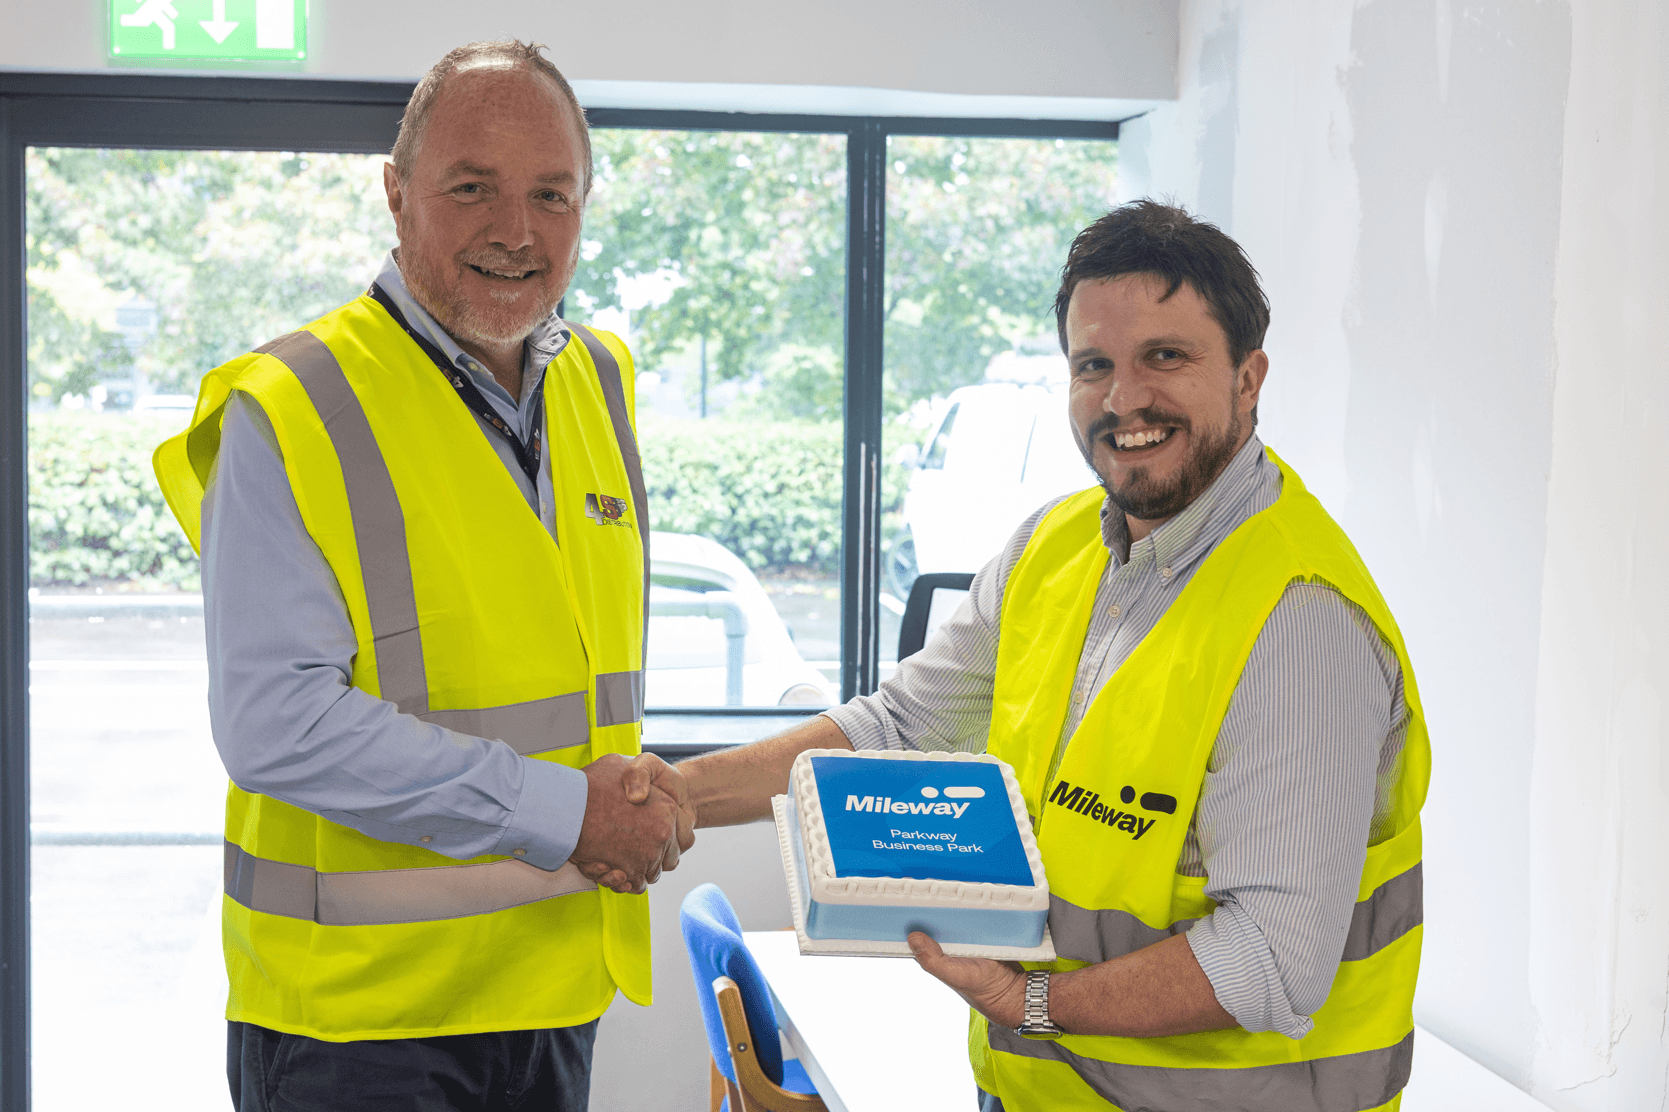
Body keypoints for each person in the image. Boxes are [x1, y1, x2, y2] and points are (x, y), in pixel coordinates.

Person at [679, 200, 1428, 1112]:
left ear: (1248, 377)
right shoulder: (1054, 545)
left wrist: (1030, 1001)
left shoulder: (1297, 621)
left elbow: (1272, 962)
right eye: (1093, 366)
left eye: (1166, 356)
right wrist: (670, 798)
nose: (1123, 399)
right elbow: (900, 726)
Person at [153, 40, 694, 1112]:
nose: (517, 230)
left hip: (549, 990)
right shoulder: (288, 405)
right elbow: (277, 721)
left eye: (552, 193)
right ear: (396, 196)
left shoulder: (599, 377)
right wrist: (565, 810)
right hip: (357, 1026)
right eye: (471, 188)